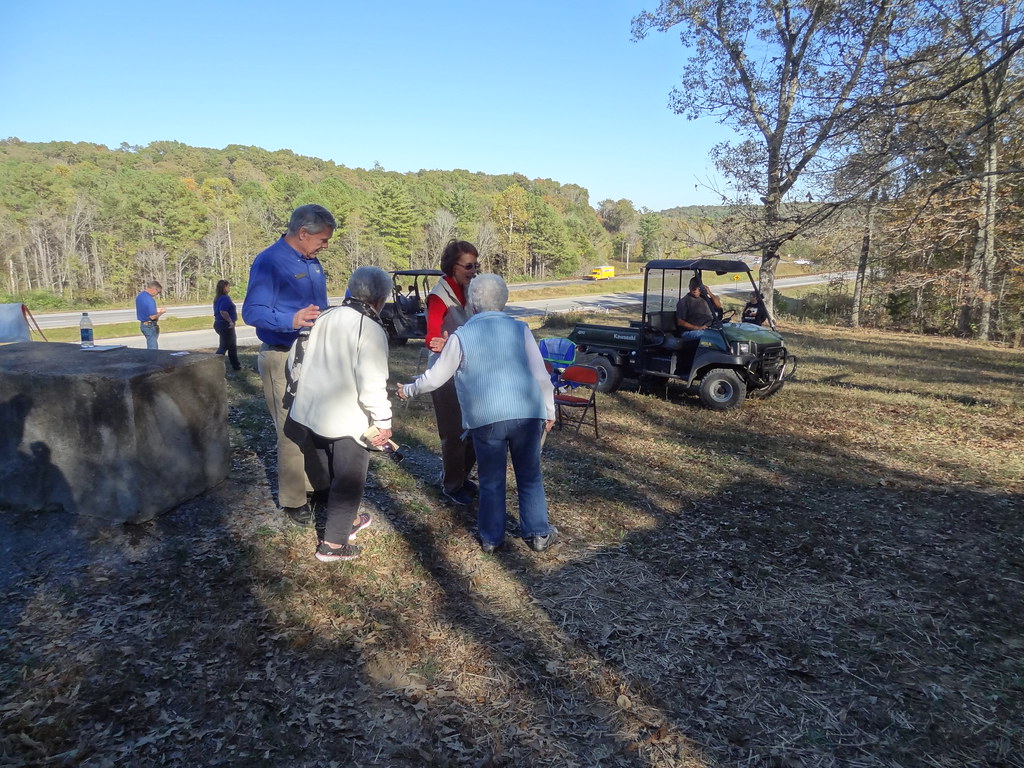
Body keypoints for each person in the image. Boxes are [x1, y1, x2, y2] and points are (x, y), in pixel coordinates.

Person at [398, 273, 558, 554]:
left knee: (490, 478)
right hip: (527, 413)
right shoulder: (520, 330)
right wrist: (549, 409)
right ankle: (538, 533)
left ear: (472, 302)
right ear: (504, 300)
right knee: (529, 474)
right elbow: (541, 376)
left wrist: (409, 390)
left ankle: (491, 538)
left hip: (487, 419)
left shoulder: (462, 336)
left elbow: (435, 378)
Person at [286, 266, 393, 563]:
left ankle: (346, 522)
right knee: (349, 479)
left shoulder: (325, 316)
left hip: (312, 411)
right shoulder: (370, 329)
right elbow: (372, 383)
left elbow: (298, 356)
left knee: (331, 473)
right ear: (381, 299)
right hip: (347, 420)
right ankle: (333, 545)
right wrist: (383, 422)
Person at [241, 204, 334, 526]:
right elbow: (252, 312)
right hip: (281, 355)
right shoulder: (269, 261)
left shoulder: (313, 262)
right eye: (322, 240)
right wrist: (289, 320)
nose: (325, 246)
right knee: (291, 428)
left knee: (317, 424)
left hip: (312, 356)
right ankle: (295, 499)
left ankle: (320, 485)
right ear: (303, 233)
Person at [424, 240, 479, 506]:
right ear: (452, 266)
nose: (473, 271)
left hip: (469, 369)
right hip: (444, 372)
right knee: (453, 432)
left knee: (475, 428)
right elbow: (431, 336)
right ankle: (452, 486)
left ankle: (461, 476)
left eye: (476, 265)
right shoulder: (439, 295)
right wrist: (443, 343)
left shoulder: (471, 290)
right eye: (468, 266)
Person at [213, 279, 242, 371]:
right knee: (224, 347)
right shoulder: (225, 298)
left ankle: (236, 366)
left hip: (219, 324)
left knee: (232, 346)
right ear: (224, 288)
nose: (229, 288)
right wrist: (230, 321)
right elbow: (223, 311)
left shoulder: (218, 298)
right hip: (225, 325)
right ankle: (213, 365)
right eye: (228, 286)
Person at [135, 281, 166, 349]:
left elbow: (145, 309)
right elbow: (152, 317)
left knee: (151, 344)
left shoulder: (140, 296)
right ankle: (152, 359)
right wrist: (161, 312)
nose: (157, 294)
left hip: (143, 325)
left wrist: (155, 310)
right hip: (150, 326)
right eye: (158, 292)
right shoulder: (150, 300)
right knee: (153, 348)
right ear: (154, 289)